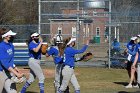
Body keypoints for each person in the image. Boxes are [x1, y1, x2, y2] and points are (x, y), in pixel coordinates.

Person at [0, 28, 23, 93]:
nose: (12, 36)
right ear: (5, 36)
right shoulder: (1, 46)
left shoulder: (11, 45)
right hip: (1, 72)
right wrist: (16, 74)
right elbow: (5, 63)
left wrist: (16, 68)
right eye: (10, 35)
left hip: (9, 71)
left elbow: (11, 60)